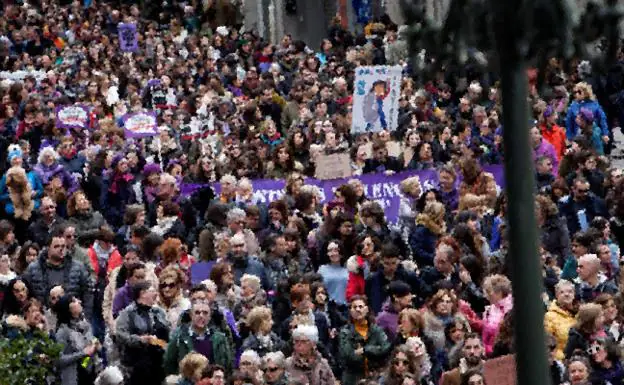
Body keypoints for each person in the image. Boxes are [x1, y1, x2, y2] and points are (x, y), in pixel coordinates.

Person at [22, 227, 94, 319]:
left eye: (63, 246)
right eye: (56, 246)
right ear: (48, 248)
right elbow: (25, 293)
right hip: (42, 318)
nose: (61, 249)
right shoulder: (33, 268)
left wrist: (85, 316)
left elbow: (88, 292)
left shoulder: (78, 268)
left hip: (72, 319)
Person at [115, 282, 170, 385]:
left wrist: (162, 344)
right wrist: (140, 340)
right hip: (136, 366)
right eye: (152, 291)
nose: (156, 294)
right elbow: (121, 336)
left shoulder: (159, 312)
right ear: (143, 293)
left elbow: (167, 336)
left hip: (158, 365)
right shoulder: (128, 313)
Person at [164, 300, 233, 374]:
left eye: (205, 313)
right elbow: (168, 363)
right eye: (197, 313)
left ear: (210, 317)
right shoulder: (179, 337)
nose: (201, 316)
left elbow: (228, 365)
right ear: (191, 315)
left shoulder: (220, 338)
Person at [339, 295, 391, 385]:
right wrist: (375, 351)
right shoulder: (345, 332)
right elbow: (349, 356)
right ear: (350, 311)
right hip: (352, 379)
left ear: (366, 309)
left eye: (360, 307)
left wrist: (365, 350)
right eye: (354, 307)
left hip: (374, 378)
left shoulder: (376, 330)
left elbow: (385, 348)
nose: (358, 310)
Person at [54, 295, 100, 385]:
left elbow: (91, 341)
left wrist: (96, 344)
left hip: (89, 370)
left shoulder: (84, 323)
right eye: (74, 301)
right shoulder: (62, 331)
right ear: (68, 308)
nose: (79, 302)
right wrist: (83, 353)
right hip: (75, 376)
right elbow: (59, 360)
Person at [544, 280, 577, 360]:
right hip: (562, 360)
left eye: (570, 291)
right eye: (562, 292)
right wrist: (563, 357)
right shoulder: (549, 317)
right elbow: (548, 343)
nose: (566, 294)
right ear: (556, 295)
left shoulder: (579, 312)